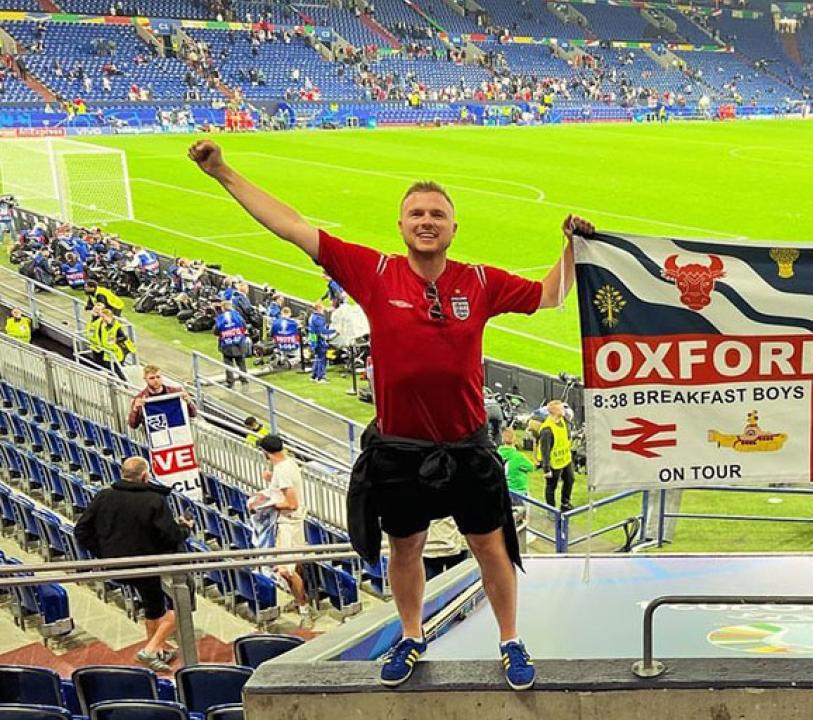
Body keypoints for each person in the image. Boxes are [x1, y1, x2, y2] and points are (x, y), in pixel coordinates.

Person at [188, 138, 590, 690]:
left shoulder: (478, 281)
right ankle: (410, 634)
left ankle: (510, 640)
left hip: (467, 445)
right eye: (417, 214)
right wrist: (223, 173)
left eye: (438, 215)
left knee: (491, 547)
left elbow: (550, 295)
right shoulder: (372, 271)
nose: (427, 221)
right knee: (406, 547)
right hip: (400, 449)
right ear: (401, 225)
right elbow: (291, 226)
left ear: (454, 228)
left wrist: (570, 247)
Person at [74, 457, 194, 672]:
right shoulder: (154, 501)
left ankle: (156, 649)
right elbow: (171, 536)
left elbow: (81, 530)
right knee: (180, 603)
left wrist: (103, 552)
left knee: (153, 607)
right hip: (145, 565)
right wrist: (186, 528)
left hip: (115, 564)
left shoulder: (104, 496)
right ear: (145, 476)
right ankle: (150, 650)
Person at [249, 435, 311, 623]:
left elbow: (291, 503)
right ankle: (300, 600)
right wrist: (271, 481)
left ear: (265, 453)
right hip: (293, 522)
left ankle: (304, 609)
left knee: (286, 570)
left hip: (288, 523)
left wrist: (266, 506)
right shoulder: (286, 464)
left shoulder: (282, 471)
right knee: (295, 564)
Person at [128, 365, 197, 429]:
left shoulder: (176, 392)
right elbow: (133, 425)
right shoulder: (140, 398)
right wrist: (135, 409)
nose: (156, 380)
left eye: (158, 377)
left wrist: (189, 402)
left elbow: (193, 414)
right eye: (152, 378)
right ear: (145, 379)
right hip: (157, 438)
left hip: (179, 434)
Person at [536, 400, 575, 512]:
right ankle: (551, 509)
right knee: (551, 486)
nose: (564, 410)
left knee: (570, 480)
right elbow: (545, 451)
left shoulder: (563, 420)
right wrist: (546, 469)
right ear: (554, 412)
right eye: (561, 408)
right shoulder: (547, 429)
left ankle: (565, 503)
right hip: (554, 463)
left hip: (565, 459)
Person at [497, 427, 534, 521]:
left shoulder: (497, 454)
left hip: (502, 491)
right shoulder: (518, 456)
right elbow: (531, 467)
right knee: (522, 516)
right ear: (514, 439)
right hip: (518, 492)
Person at [214, 299, 250, 388]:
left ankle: (230, 382)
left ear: (223, 308)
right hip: (239, 343)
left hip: (226, 344)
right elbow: (244, 326)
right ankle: (244, 379)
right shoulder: (237, 316)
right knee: (241, 362)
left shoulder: (220, 318)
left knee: (228, 364)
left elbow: (216, 331)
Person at [94, 305, 135, 381]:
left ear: (108, 316)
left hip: (118, 351)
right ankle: (115, 383)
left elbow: (123, 337)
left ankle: (125, 383)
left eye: (103, 317)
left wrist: (115, 340)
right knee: (110, 368)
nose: (102, 318)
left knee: (117, 368)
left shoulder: (116, 326)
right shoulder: (103, 325)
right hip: (109, 351)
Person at [306, 302, 334, 383]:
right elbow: (322, 331)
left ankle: (314, 376)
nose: (323, 310)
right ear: (318, 309)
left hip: (313, 339)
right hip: (319, 340)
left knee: (318, 357)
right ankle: (321, 377)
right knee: (322, 358)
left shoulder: (312, 316)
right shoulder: (318, 318)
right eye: (322, 309)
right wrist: (334, 331)